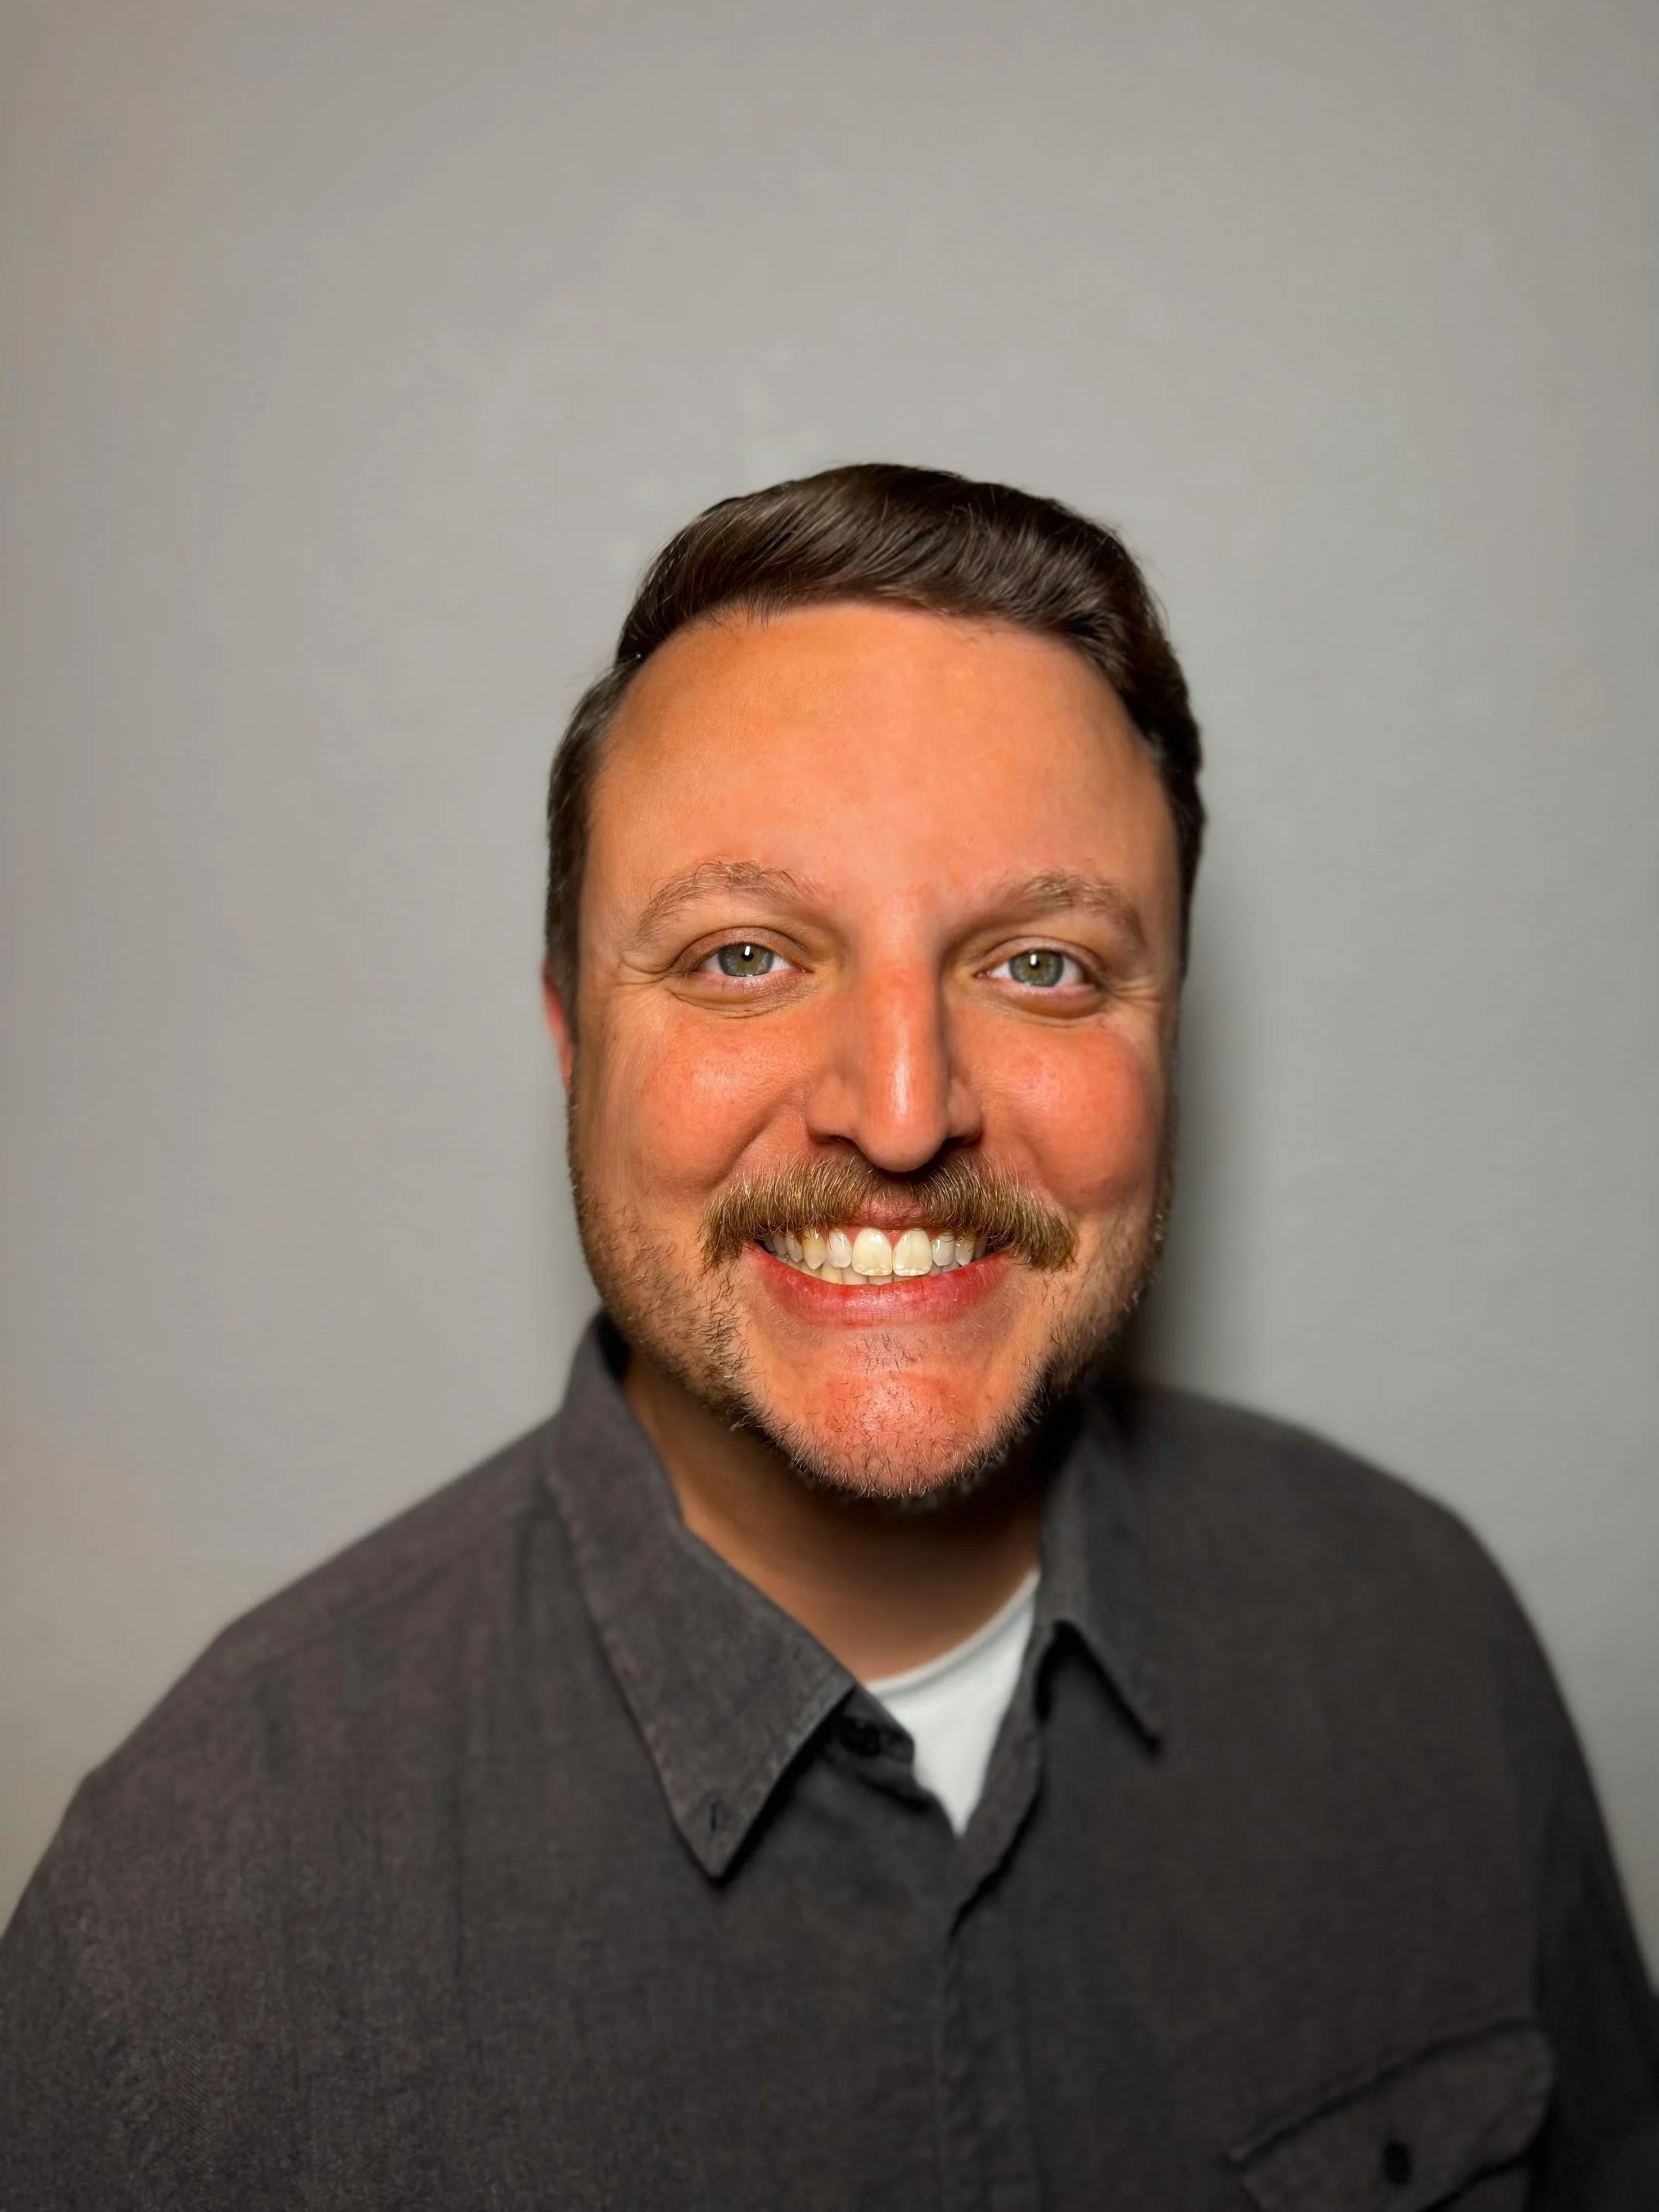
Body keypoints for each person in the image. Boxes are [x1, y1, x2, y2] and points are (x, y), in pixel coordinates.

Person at [2, 464, 1654, 2208]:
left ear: (1171, 1037)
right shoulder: (185, 1931)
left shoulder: (1425, 1651)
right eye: (740, 957)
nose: (901, 1106)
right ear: (574, 1041)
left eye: (1041, 968)